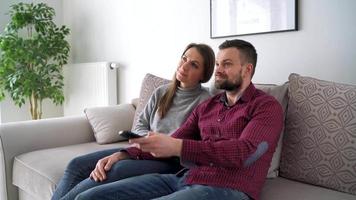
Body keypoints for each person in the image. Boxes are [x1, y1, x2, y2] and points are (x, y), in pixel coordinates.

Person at [73, 39, 284, 200]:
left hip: (228, 188)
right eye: (218, 63)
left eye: (226, 64)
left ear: (247, 69)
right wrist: (122, 154)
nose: (218, 70)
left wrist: (179, 147)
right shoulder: (208, 106)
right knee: (89, 197)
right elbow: (172, 140)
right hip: (185, 178)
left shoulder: (266, 107)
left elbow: (244, 153)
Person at [51, 43, 215, 200]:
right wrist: (149, 141)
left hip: (170, 162)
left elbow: (194, 145)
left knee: (114, 169)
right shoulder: (162, 92)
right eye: (184, 58)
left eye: (194, 65)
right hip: (140, 150)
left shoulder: (205, 102)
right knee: (76, 164)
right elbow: (139, 125)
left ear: (204, 74)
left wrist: (159, 143)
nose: (184, 66)